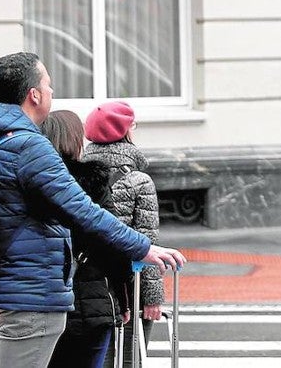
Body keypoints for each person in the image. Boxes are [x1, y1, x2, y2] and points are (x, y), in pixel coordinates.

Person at [0, 52, 185, 368]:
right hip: (29, 293)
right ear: (33, 95)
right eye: (48, 85)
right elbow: (82, 210)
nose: (51, 92)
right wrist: (143, 248)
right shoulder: (30, 145)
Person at [41, 111, 132, 368]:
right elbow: (113, 243)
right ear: (75, 140)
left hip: (44, 300)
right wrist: (122, 297)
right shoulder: (93, 182)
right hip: (92, 302)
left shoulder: (32, 181)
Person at [82, 102, 162, 368]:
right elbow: (147, 241)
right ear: (126, 132)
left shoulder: (75, 174)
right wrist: (152, 297)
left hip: (88, 284)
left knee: (94, 356)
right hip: (130, 285)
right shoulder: (138, 181)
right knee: (130, 357)